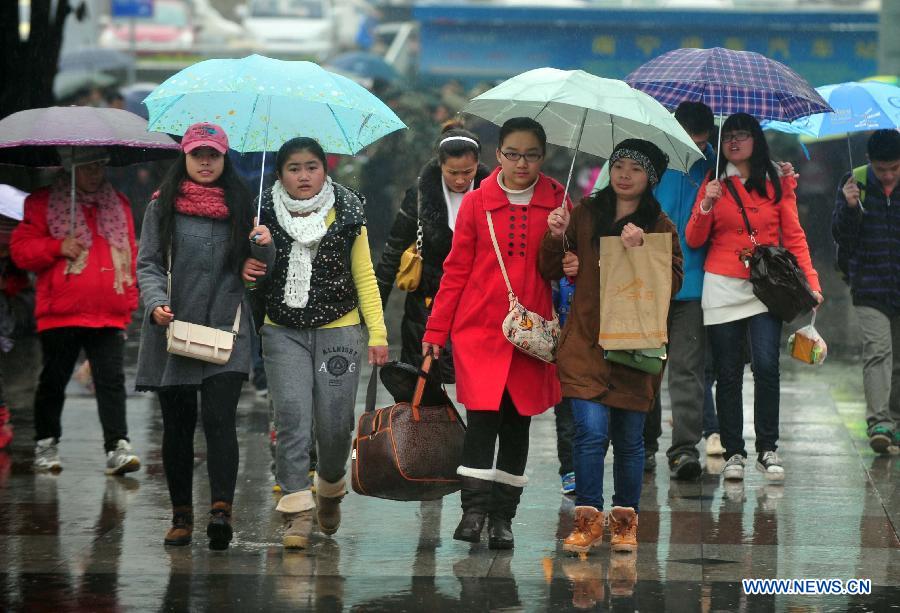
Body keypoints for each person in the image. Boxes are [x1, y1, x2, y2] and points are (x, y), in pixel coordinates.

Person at [422, 117, 568, 550]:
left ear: (544, 156)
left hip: (531, 334)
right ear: (497, 154)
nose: (522, 164)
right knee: (483, 419)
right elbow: (456, 271)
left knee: (517, 421)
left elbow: (562, 270)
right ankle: (473, 512)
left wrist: (562, 240)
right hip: (480, 330)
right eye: (512, 154)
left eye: (532, 155)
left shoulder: (558, 202)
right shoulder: (477, 202)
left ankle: (503, 517)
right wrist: (436, 330)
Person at [242, 137, 388, 550]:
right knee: (291, 418)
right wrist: (254, 255)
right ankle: (297, 512)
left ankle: (329, 489)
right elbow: (250, 276)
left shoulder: (349, 209)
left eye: (311, 167)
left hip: (339, 329)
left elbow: (365, 275)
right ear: (280, 173)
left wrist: (377, 334)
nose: (303, 176)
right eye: (293, 168)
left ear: (325, 169)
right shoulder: (261, 212)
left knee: (335, 426)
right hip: (281, 328)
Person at [541, 139, 683, 555]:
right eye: (618, 164)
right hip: (585, 341)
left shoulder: (660, 225)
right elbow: (550, 267)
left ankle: (624, 523)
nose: (624, 175)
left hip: (635, 349)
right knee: (589, 432)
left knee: (629, 439)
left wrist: (642, 252)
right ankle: (587, 520)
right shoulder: (584, 213)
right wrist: (555, 238)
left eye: (635, 170)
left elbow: (672, 284)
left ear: (650, 179)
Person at [135, 122, 273, 550]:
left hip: (225, 328)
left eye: (213, 154)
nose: (206, 162)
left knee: (219, 421)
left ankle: (220, 512)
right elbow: (148, 263)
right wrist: (155, 302)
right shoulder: (162, 206)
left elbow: (258, 265)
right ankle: (180, 516)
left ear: (224, 158)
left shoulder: (242, 204)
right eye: (198, 155)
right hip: (172, 328)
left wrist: (262, 249)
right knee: (177, 427)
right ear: (186, 157)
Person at [685, 113, 823, 482]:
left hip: (766, 287)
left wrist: (811, 281)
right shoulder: (714, 183)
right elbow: (695, 239)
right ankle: (733, 452)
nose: (734, 141)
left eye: (742, 135)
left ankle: (768, 448)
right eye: (728, 136)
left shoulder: (778, 182)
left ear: (755, 140)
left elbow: (793, 236)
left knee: (766, 365)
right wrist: (706, 205)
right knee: (728, 373)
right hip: (722, 284)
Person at [11, 147, 140, 475]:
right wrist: (57, 246)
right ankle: (46, 442)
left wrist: (131, 299)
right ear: (70, 167)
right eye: (87, 166)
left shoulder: (118, 203)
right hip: (61, 310)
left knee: (110, 380)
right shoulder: (41, 202)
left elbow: (130, 252)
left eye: (100, 165)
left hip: (108, 310)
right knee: (54, 379)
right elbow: (22, 251)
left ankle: (117, 445)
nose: (95, 172)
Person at [375, 121, 490, 378]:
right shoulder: (419, 196)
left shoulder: (493, 194)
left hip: (478, 305)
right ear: (440, 164)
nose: (460, 180)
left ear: (478, 164)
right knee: (422, 390)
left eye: (468, 172)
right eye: (452, 172)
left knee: (481, 386)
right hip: (426, 308)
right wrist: (374, 315)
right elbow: (393, 251)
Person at [653, 101, 721, 480]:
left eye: (700, 141)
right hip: (649, 278)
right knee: (644, 367)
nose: (693, 148)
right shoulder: (654, 158)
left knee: (687, 370)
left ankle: (683, 450)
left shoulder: (718, 166)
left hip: (694, 284)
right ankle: (644, 444)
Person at [832, 129, 900, 453]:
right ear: (869, 161)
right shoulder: (854, 181)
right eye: (881, 169)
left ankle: (895, 419)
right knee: (878, 350)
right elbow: (842, 237)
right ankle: (879, 422)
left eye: (894, 169)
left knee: (897, 359)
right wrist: (849, 207)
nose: (887, 176)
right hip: (869, 286)